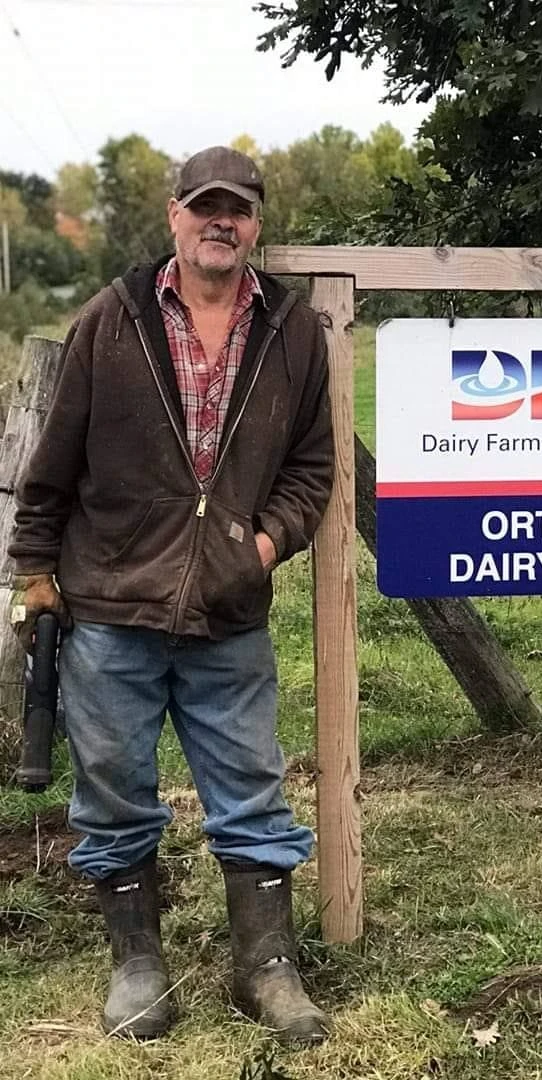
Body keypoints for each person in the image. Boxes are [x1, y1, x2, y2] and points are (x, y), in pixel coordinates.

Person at [9, 146, 334, 1041]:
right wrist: (35, 572)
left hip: (229, 609)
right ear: (174, 216)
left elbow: (312, 470)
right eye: (203, 207)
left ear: (256, 223)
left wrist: (258, 547)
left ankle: (265, 969)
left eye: (236, 209)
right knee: (112, 791)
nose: (218, 222)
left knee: (253, 790)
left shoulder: (293, 331)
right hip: (112, 600)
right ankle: (137, 966)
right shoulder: (111, 320)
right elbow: (53, 465)